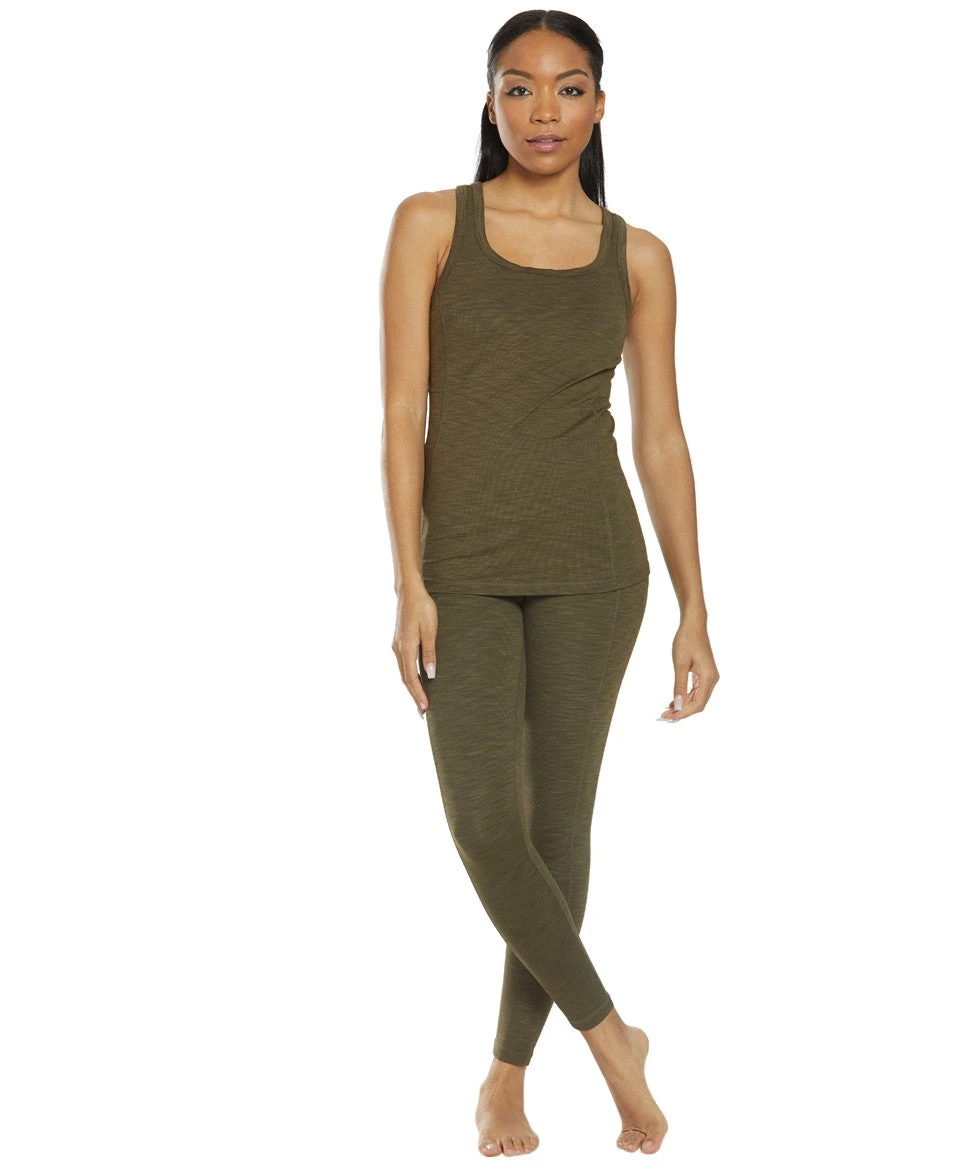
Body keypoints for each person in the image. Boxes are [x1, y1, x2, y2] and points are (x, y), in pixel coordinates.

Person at [380, 10, 719, 1158]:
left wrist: (696, 606)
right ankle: (613, 1035)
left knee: (558, 829)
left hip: (595, 570)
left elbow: (661, 436)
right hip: (463, 571)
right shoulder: (431, 224)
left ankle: (506, 1080)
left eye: (569, 88)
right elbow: (402, 412)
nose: (543, 111)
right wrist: (408, 580)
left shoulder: (639, 255)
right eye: (518, 87)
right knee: (488, 822)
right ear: (490, 103)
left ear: (601, 106)